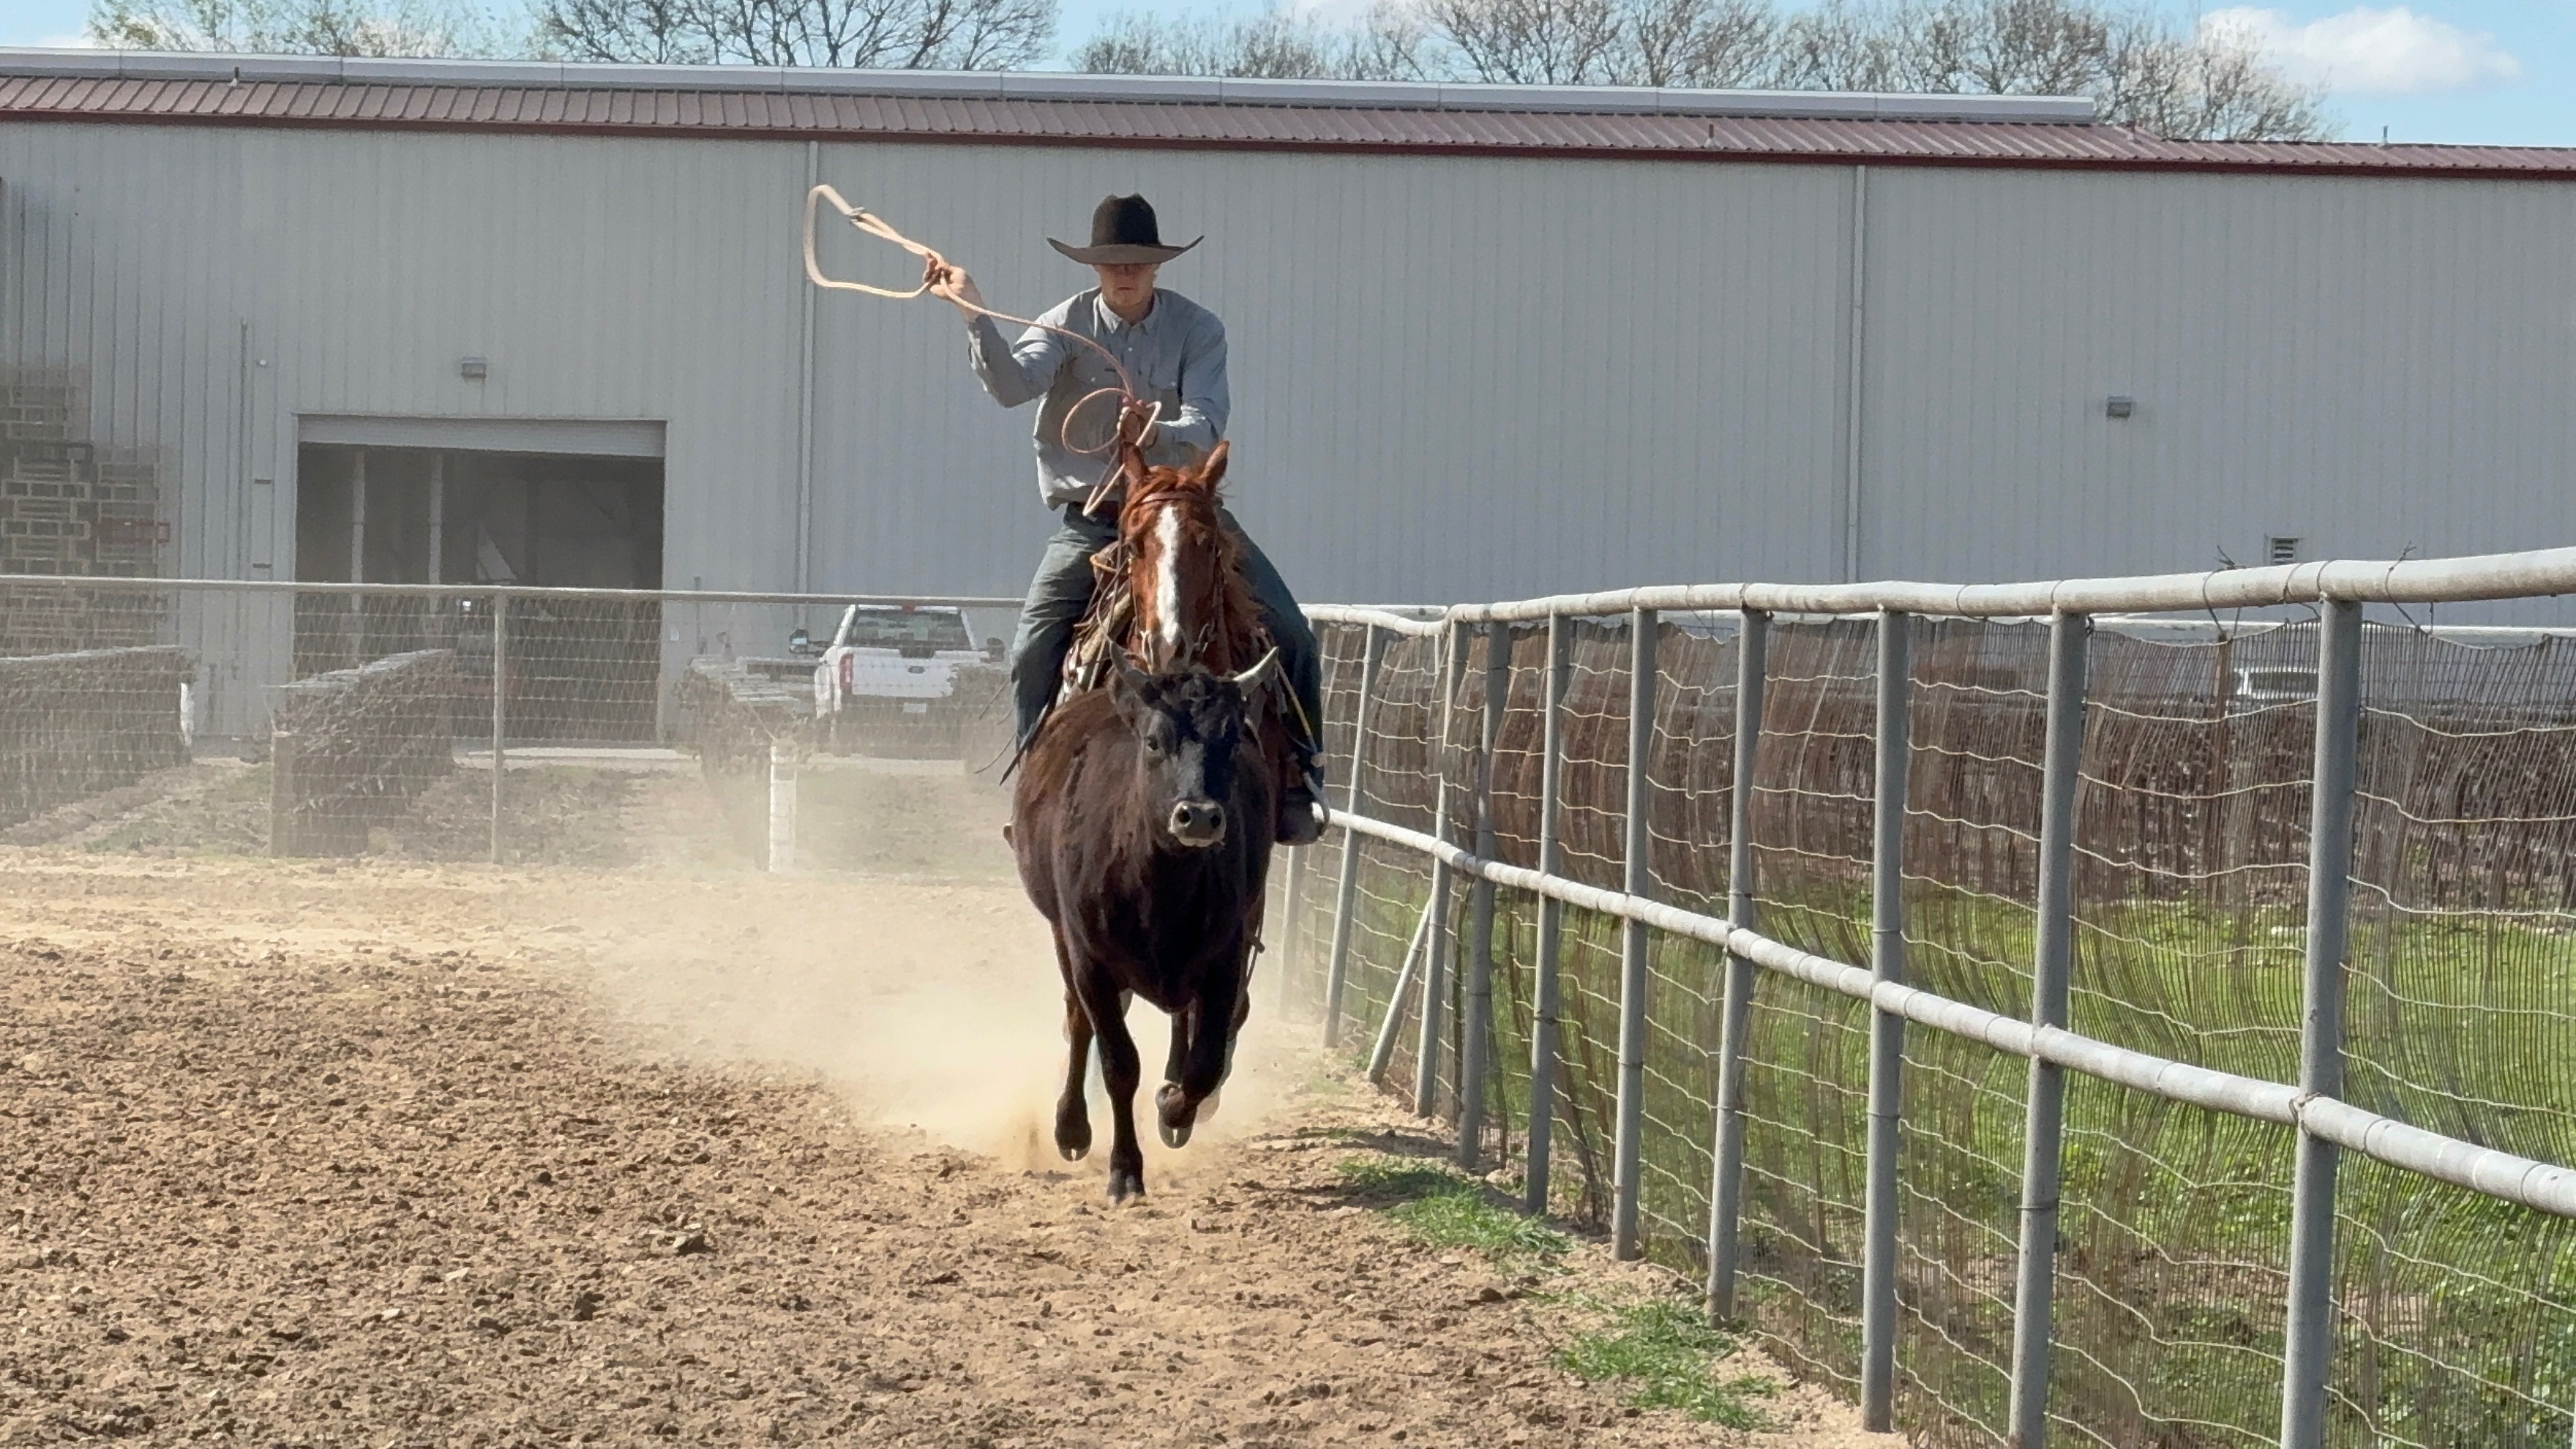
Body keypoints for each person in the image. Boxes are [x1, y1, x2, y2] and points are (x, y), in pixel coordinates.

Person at [926, 193, 1325, 846]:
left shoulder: (1199, 330)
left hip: (1185, 513)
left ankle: (1302, 777)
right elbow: (1011, 386)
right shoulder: (1063, 325)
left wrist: (1156, 432)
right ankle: (1034, 791)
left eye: (1137, 261)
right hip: (1096, 518)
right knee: (1032, 647)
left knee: (1293, 633)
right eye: (1113, 262)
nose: (1125, 272)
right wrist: (974, 313)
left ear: (1157, 266)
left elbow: (1206, 426)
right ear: (1095, 267)